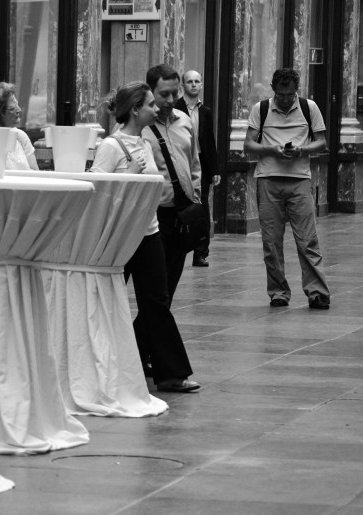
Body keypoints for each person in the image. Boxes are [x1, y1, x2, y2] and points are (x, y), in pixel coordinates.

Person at [90, 81, 200, 393]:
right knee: (105, 301)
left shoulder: (146, 144)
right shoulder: (111, 146)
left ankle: (171, 375)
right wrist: (129, 174)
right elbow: (97, 191)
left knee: (157, 302)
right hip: (121, 236)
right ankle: (96, 368)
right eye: (151, 104)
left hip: (149, 232)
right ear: (136, 110)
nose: (157, 108)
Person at [243, 68, 331, 309]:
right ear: (274, 90)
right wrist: (272, 150)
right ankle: (278, 292)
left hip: (299, 180)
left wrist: (301, 150)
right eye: (281, 95)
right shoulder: (261, 109)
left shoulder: (309, 108)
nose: (285, 100)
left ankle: (317, 292)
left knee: (307, 239)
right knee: (271, 242)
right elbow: (249, 144)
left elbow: (322, 142)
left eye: (290, 95)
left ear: (296, 91)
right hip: (268, 180)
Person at [142, 64, 202, 305]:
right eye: (163, 94)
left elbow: (194, 162)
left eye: (174, 93)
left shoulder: (185, 121)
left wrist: (196, 197)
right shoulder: (140, 126)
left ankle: (153, 326)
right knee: (154, 289)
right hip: (152, 215)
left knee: (169, 285)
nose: (170, 100)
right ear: (150, 92)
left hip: (181, 214)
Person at [176, 70, 220, 267]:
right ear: (183, 85)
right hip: (181, 160)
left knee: (202, 207)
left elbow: (210, 141)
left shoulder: (206, 111)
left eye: (197, 81)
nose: (193, 85)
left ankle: (201, 252)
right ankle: (177, 247)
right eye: (189, 82)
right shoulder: (175, 108)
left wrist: (214, 169)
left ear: (201, 85)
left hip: (200, 162)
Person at [0, 82, 39, 170]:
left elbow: (35, 172)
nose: (19, 110)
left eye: (17, 104)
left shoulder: (20, 136)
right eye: (12, 108)